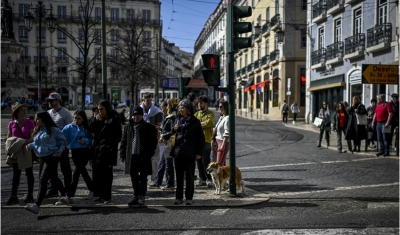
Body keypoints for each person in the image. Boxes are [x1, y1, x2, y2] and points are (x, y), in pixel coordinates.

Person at [24, 112, 68, 214]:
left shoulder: (54, 130)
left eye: (38, 119)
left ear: (44, 119)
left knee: (43, 179)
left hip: (52, 156)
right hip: (42, 157)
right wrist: (31, 145)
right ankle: (65, 195)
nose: (36, 121)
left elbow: (63, 141)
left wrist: (60, 150)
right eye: (35, 119)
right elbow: (38, 143)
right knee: (54, 178)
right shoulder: (39, 129)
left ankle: (37, 205)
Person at [120, 106, 158, 206]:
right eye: (134, 115)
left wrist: (149, 153)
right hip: (132, 156)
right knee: (134, 178)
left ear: (142, 115)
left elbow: (154, 142)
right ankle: (136, 195)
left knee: (143, 178)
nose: (136, 117)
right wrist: (122, 154)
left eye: (138, 115)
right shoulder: (128, 126)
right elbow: (124, 141)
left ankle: (142, 197)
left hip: (143, 156)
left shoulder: (149, 127)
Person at [171, 99, 205, 205]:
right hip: (178, 152)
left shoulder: (195, 121)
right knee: (179, 176)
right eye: (180, 107)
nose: (180, 109)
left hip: (190, 152)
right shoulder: (177, 119)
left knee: (189, 176)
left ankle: (189, 198)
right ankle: (178, 197)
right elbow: (168, 133)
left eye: (183, 107)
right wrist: (174, 129)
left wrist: (199, 152)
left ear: (188, 109)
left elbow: (201, 138)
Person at [88, 100, 122, 204]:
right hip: (98, 149)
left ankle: (107, 197)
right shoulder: (98, 118)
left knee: (107, 175)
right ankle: (99, 195)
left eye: (101, 109)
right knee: (97, 173)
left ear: (107, 108)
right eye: (98, 109)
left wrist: (109, 145)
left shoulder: (114, 118)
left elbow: (118, 136)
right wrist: (95, 119)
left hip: (108, 150)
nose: (100, 111)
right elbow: (89, 128)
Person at [6, 102, 35, 205]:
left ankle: (30, 196)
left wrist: (23, 142)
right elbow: (9, 138)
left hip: (27, 149)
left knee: (29, 173)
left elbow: (33, 137)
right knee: (16, 174)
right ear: (17, 112)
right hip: (17, 151)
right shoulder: (11, 123)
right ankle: (14, 196)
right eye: (22, 110)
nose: (25, 111)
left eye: (25, 110)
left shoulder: (30, 122)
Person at [45, 92, 73, 198]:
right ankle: (53, 188)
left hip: (62, 146)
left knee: (65, 169)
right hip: (51, 146)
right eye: (48, 100)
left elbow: (70, 129)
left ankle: (67, 189)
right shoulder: (48, 113)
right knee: (52, 169)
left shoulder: (66, 113)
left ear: (58, 101)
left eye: (51, 100)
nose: (49, 102)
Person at [62, 109, 94, 201]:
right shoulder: (69, 127)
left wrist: (85, 141)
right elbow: (62, 137)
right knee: (82, 171)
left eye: (78, 118)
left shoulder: (87, 128)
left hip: (84, 151)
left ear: (83, 119)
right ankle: (93, 189)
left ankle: (69, 194)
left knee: (76, 173)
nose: (76, 120)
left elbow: (92, 139)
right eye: (75, 118)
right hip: (74, 151)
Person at [150, 100, 176, 190]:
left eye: (162, 107)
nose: (161, 109)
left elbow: (172, 131)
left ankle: (170, 184)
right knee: (162, 163)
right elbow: (167, 130)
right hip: (166, 142)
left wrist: (164, 135)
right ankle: (157, 182)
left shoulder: (171, 118)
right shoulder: (167, 117)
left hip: (169, 143)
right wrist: (161, 130)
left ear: (165, 107)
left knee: (168, 164)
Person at [139, 93, 163, 182]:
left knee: (155, 159)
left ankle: (155, 178)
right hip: (141, 139)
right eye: (147, 100)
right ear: (143, 100)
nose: (149, 102)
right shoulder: (139, 110)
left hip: (153, 138)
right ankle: (142, 177)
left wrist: (157, 140)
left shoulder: (156, 111)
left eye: (150, 100)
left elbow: (158, 127)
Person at [194, 95, 215, 187]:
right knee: (198, 161)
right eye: (198, 103)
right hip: (197, 141)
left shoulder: (211, 114)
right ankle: (201, 178)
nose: (199, 104)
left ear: (206, 104)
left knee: (205, 161)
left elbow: (209, 122)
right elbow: (193, 124)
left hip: (206, 140)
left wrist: (199, 124)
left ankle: (209, 178)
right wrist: (200, 124)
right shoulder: (196, 114)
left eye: (201, 103)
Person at [214, 100, 229, 165]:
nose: (219, 108)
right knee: (222, 165)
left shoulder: (227, 118)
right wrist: (215, 129)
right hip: (218, 142)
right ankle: (225, 175)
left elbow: (227, 132)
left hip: (223, 143)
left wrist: (223, 145)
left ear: (225, 107)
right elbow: (217, 127)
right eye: (219, 107)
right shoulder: (221, 117)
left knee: (219, 164)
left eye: (221, 107)